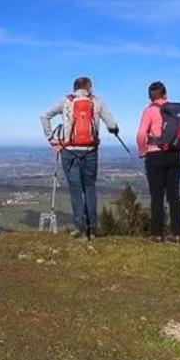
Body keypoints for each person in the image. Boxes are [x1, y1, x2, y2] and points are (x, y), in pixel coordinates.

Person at [41, 76, 119, 239]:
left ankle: (81, 230)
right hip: (90, 151)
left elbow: (44, 116)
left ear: (74, 88)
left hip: (69, 151)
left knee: (75, 191)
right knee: (90, 189)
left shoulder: (66, 101)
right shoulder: (97, 101)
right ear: (89, 87)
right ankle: (93, 229)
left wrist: (51, 139)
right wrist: (114, 129)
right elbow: (111, 124)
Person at [137, 81, 180, 243]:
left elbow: (141, 135)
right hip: (175, 155)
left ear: (150, 97)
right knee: (174, 194)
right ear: (165, 94)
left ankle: (157, 233)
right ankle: (176, 233)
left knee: (157, 196)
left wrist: (142, 151)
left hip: (155, 156)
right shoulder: (176, 112)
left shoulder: (149, 111)